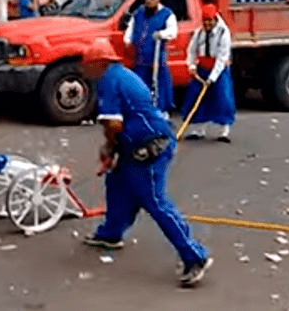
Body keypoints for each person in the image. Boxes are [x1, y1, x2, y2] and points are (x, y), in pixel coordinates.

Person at [80, 37, 213, 287]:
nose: (86, 71)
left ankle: (194, 256)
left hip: (149, 147)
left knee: (154, 201)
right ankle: (111, 234)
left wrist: (108, 148)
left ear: (99, 62)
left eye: (88, 65)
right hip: (137, 143)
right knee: (118, 185)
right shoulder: (121, 74)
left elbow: (113, 124)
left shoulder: (109, 81)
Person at [181, 4, 235, 143]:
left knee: (222, 98)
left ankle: (224, 130)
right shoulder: (199, 32)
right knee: (196, 98)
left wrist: (211, 79)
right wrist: (192, 66)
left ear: (215, 19)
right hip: (202, 68)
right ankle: (199, 129)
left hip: (219, 69)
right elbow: (192, 50)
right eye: (205, 21)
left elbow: (222, 58)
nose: (207, 24)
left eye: (209, 21)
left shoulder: (224, 33)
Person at [124, 0, 177, 117]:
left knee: (159, 85)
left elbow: (173, 32)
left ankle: (162, 111)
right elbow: (130, 29)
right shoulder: (139, 13)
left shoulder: (167, 14)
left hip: (157, 58)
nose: (148, 0)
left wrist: (161, 34)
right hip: (141, 57)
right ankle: (142, 110)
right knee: (140, 84)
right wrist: (127, 39)